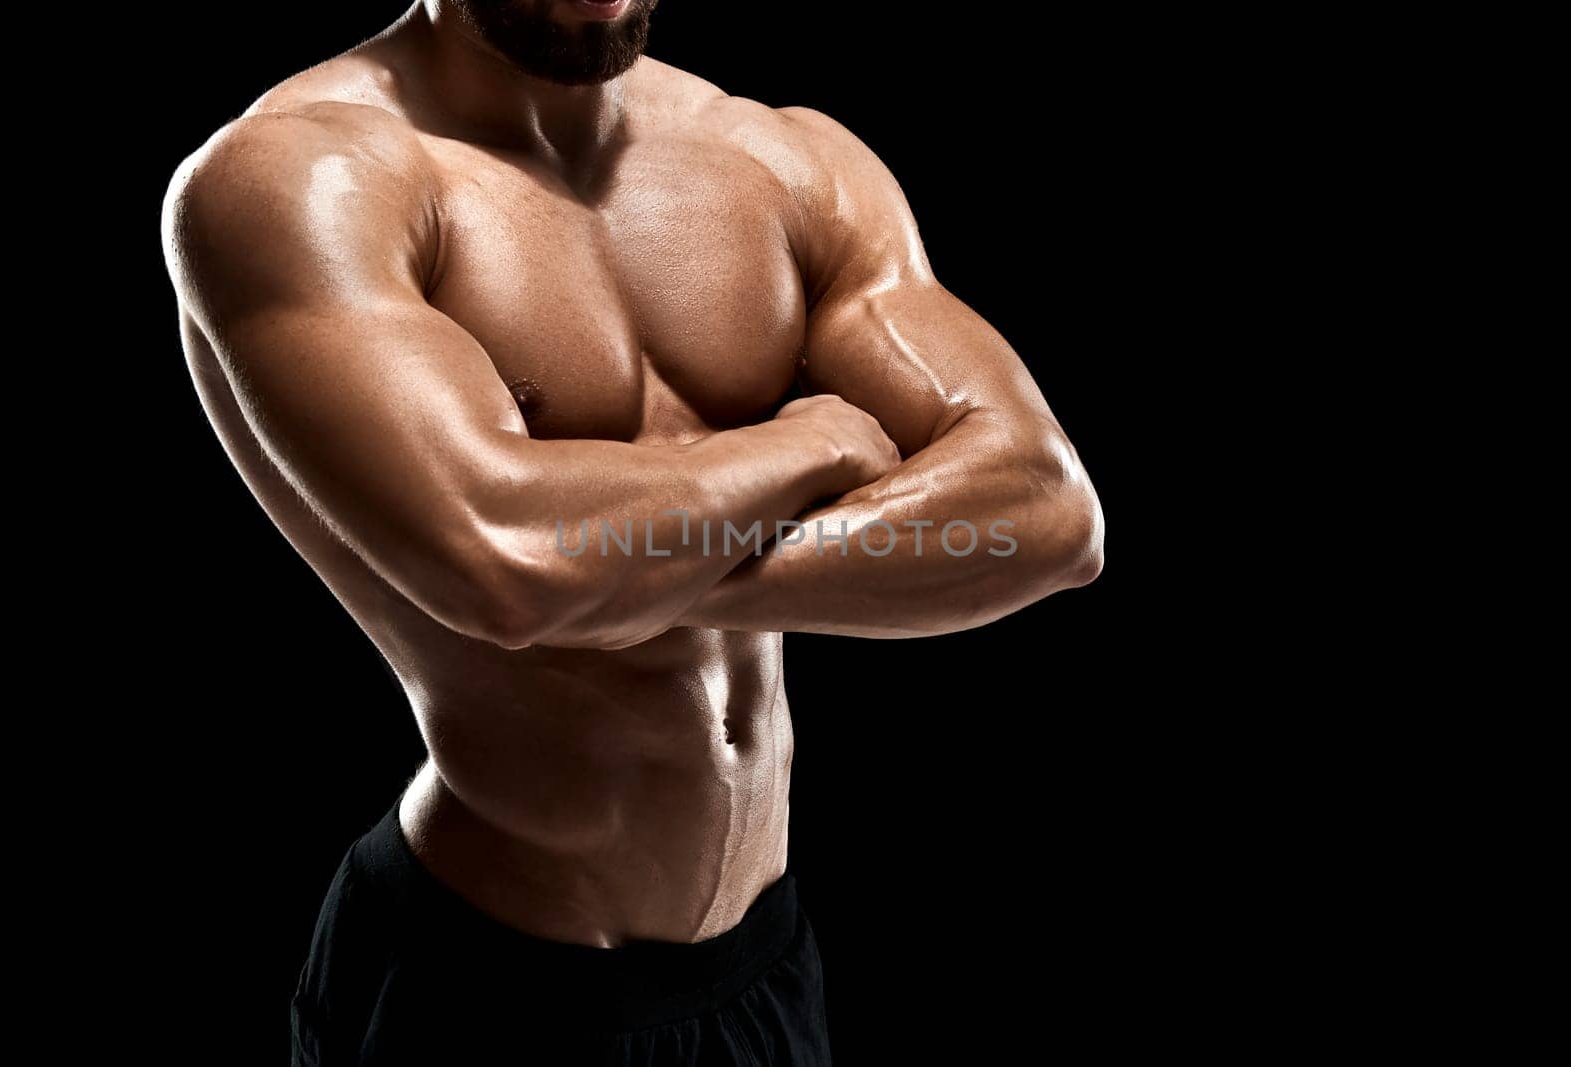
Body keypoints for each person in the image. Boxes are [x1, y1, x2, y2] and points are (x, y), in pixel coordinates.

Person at [161, 1, 1105, 1062]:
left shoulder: (781, 157)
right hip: (486, 987)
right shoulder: (301, 179)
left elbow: (1043, 511)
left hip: (761, 962)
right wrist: (811, 445)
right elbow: (510, 562)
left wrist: (617, 574)